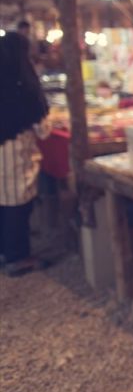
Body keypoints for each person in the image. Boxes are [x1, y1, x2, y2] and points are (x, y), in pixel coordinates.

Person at [0, 31, 52, 277]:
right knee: (16, 204)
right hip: (13, 153)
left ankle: (4, 251)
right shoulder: (24, 85)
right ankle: (17, 257)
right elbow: (43, 130)